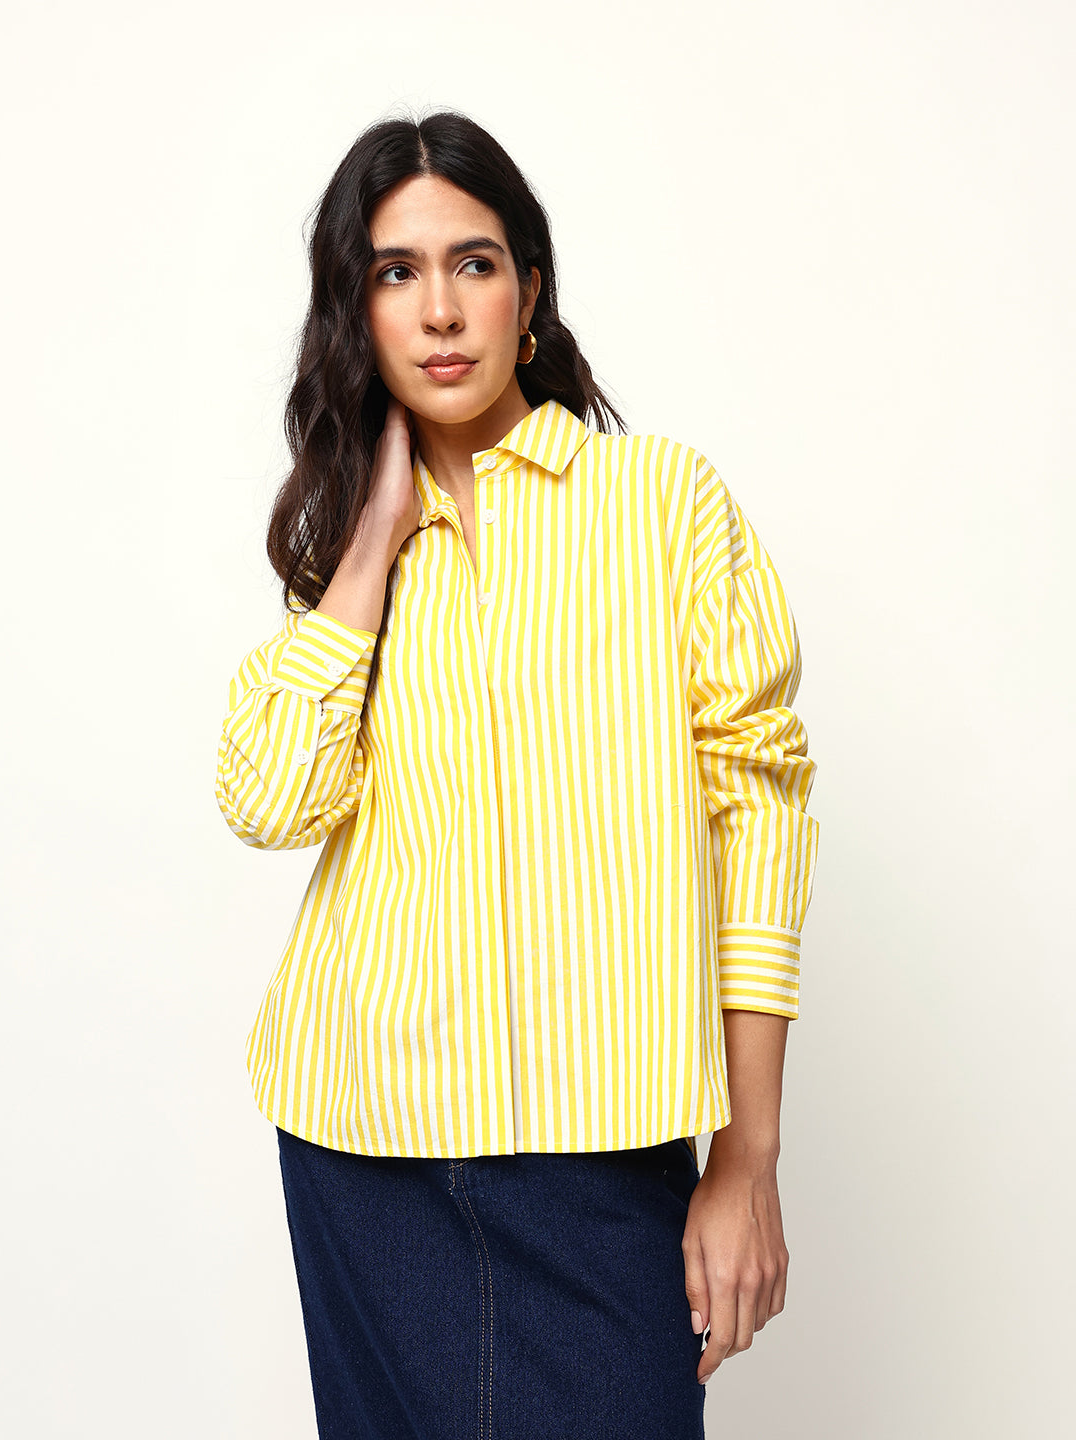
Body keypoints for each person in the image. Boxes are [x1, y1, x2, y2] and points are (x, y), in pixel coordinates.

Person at [215, 108, 820, 1440]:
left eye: (474, 264)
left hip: (600, 1154)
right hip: (364, 1147)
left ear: (529, 292)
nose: (440, 309)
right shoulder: (350, 555)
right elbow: (267, 800)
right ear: (358, 310)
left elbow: (759, 808)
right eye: (396, 272)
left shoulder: (662, 502)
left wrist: (748, 1156)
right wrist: (368, 551)